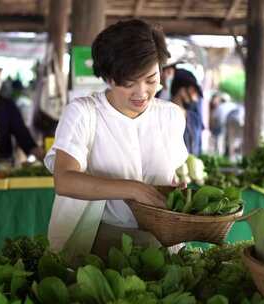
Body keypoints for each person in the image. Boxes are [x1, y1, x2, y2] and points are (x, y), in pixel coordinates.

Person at [44, 19, 188, 260]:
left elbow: (169, 175)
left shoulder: (171, 116)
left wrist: (173, 193)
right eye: (129, 83)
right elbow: (64, 180)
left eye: (151, 80)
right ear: (109, 78)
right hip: (98, 239)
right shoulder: (83, 113)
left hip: (161, 240)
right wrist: (132, 189)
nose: (141, 93)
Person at [169, 69, 204, 155]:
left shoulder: (194, 119)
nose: (195, 98)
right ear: (182, 90)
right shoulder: (162, 116)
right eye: (193, 91)